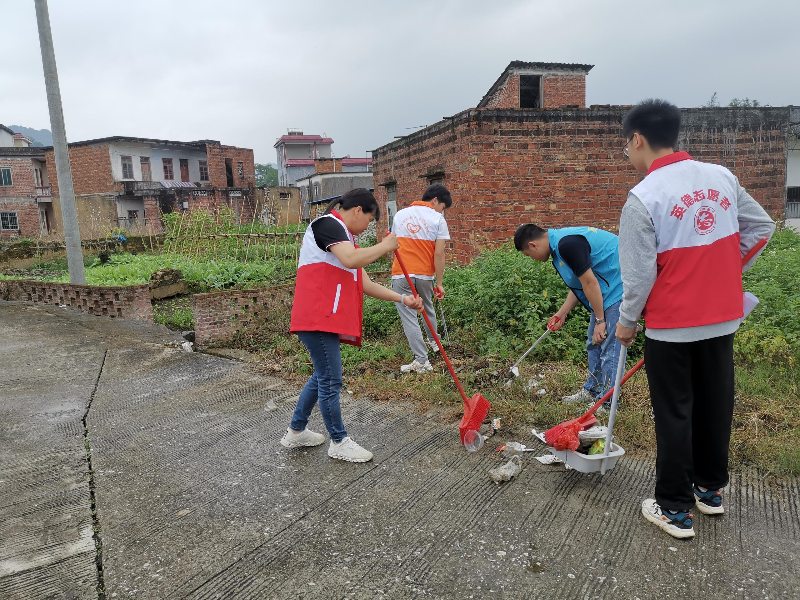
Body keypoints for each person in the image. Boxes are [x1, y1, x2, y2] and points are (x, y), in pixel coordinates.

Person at [615, 99, 775, 539]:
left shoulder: (643, 197)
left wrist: (627, 320)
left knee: (674, 412)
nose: (626, 152)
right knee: (715, 404)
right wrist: (721, 273)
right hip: (722, 319)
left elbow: (640, 273)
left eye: (625, 143)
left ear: (639, 139)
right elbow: (762, 227)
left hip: (671, 327)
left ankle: (673, 508)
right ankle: (709, 490)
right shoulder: (721, 177)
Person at [282, 188, 423, 463]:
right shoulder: (327, 225)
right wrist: (385, 247)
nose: (368, 226)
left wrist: (403, 298)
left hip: (323, 317)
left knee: (321, 376)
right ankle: (339, 441)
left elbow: (365, 283)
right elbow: (350, 260)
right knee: (331, 379)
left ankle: (296, 431)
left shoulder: (344, 238)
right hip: (317, 316)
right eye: (370, 220)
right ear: (358, 210)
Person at [514, 223, 624, 407]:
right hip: (604, 290)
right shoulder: (558, 247)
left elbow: (590, 283)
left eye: (528, 255)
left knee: (610, 349)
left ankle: (609, 403)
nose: (532, 259)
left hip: (618, 286)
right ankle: (593, 390)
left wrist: (600, 320)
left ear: (533, 245)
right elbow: (581, 283)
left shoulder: (568, 245)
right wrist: (562, 313)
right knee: (594, 343)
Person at [390, 183, 452, 374]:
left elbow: (393, 243)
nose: (441, 212)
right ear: (435, 201)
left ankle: (422, 361)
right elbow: (439, 254)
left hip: (401, 273)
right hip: (425, 275)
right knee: (427, 308)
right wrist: (439, 283)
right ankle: (435, 342)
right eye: (442, 207)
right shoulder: (438, 220)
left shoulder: (400, 214)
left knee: (410, 317)